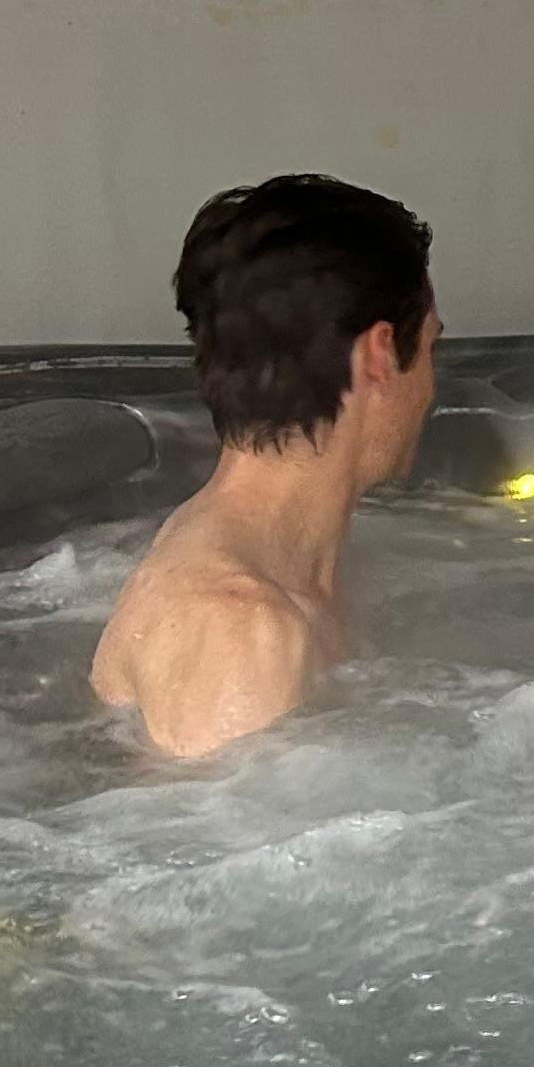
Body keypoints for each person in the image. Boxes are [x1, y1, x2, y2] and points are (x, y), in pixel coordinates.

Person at [92, 174, 439, 758]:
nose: (431, 388)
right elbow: (208, 848)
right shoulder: (239, 636)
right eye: (432, 348)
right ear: (380, 354)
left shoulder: (269, 570)